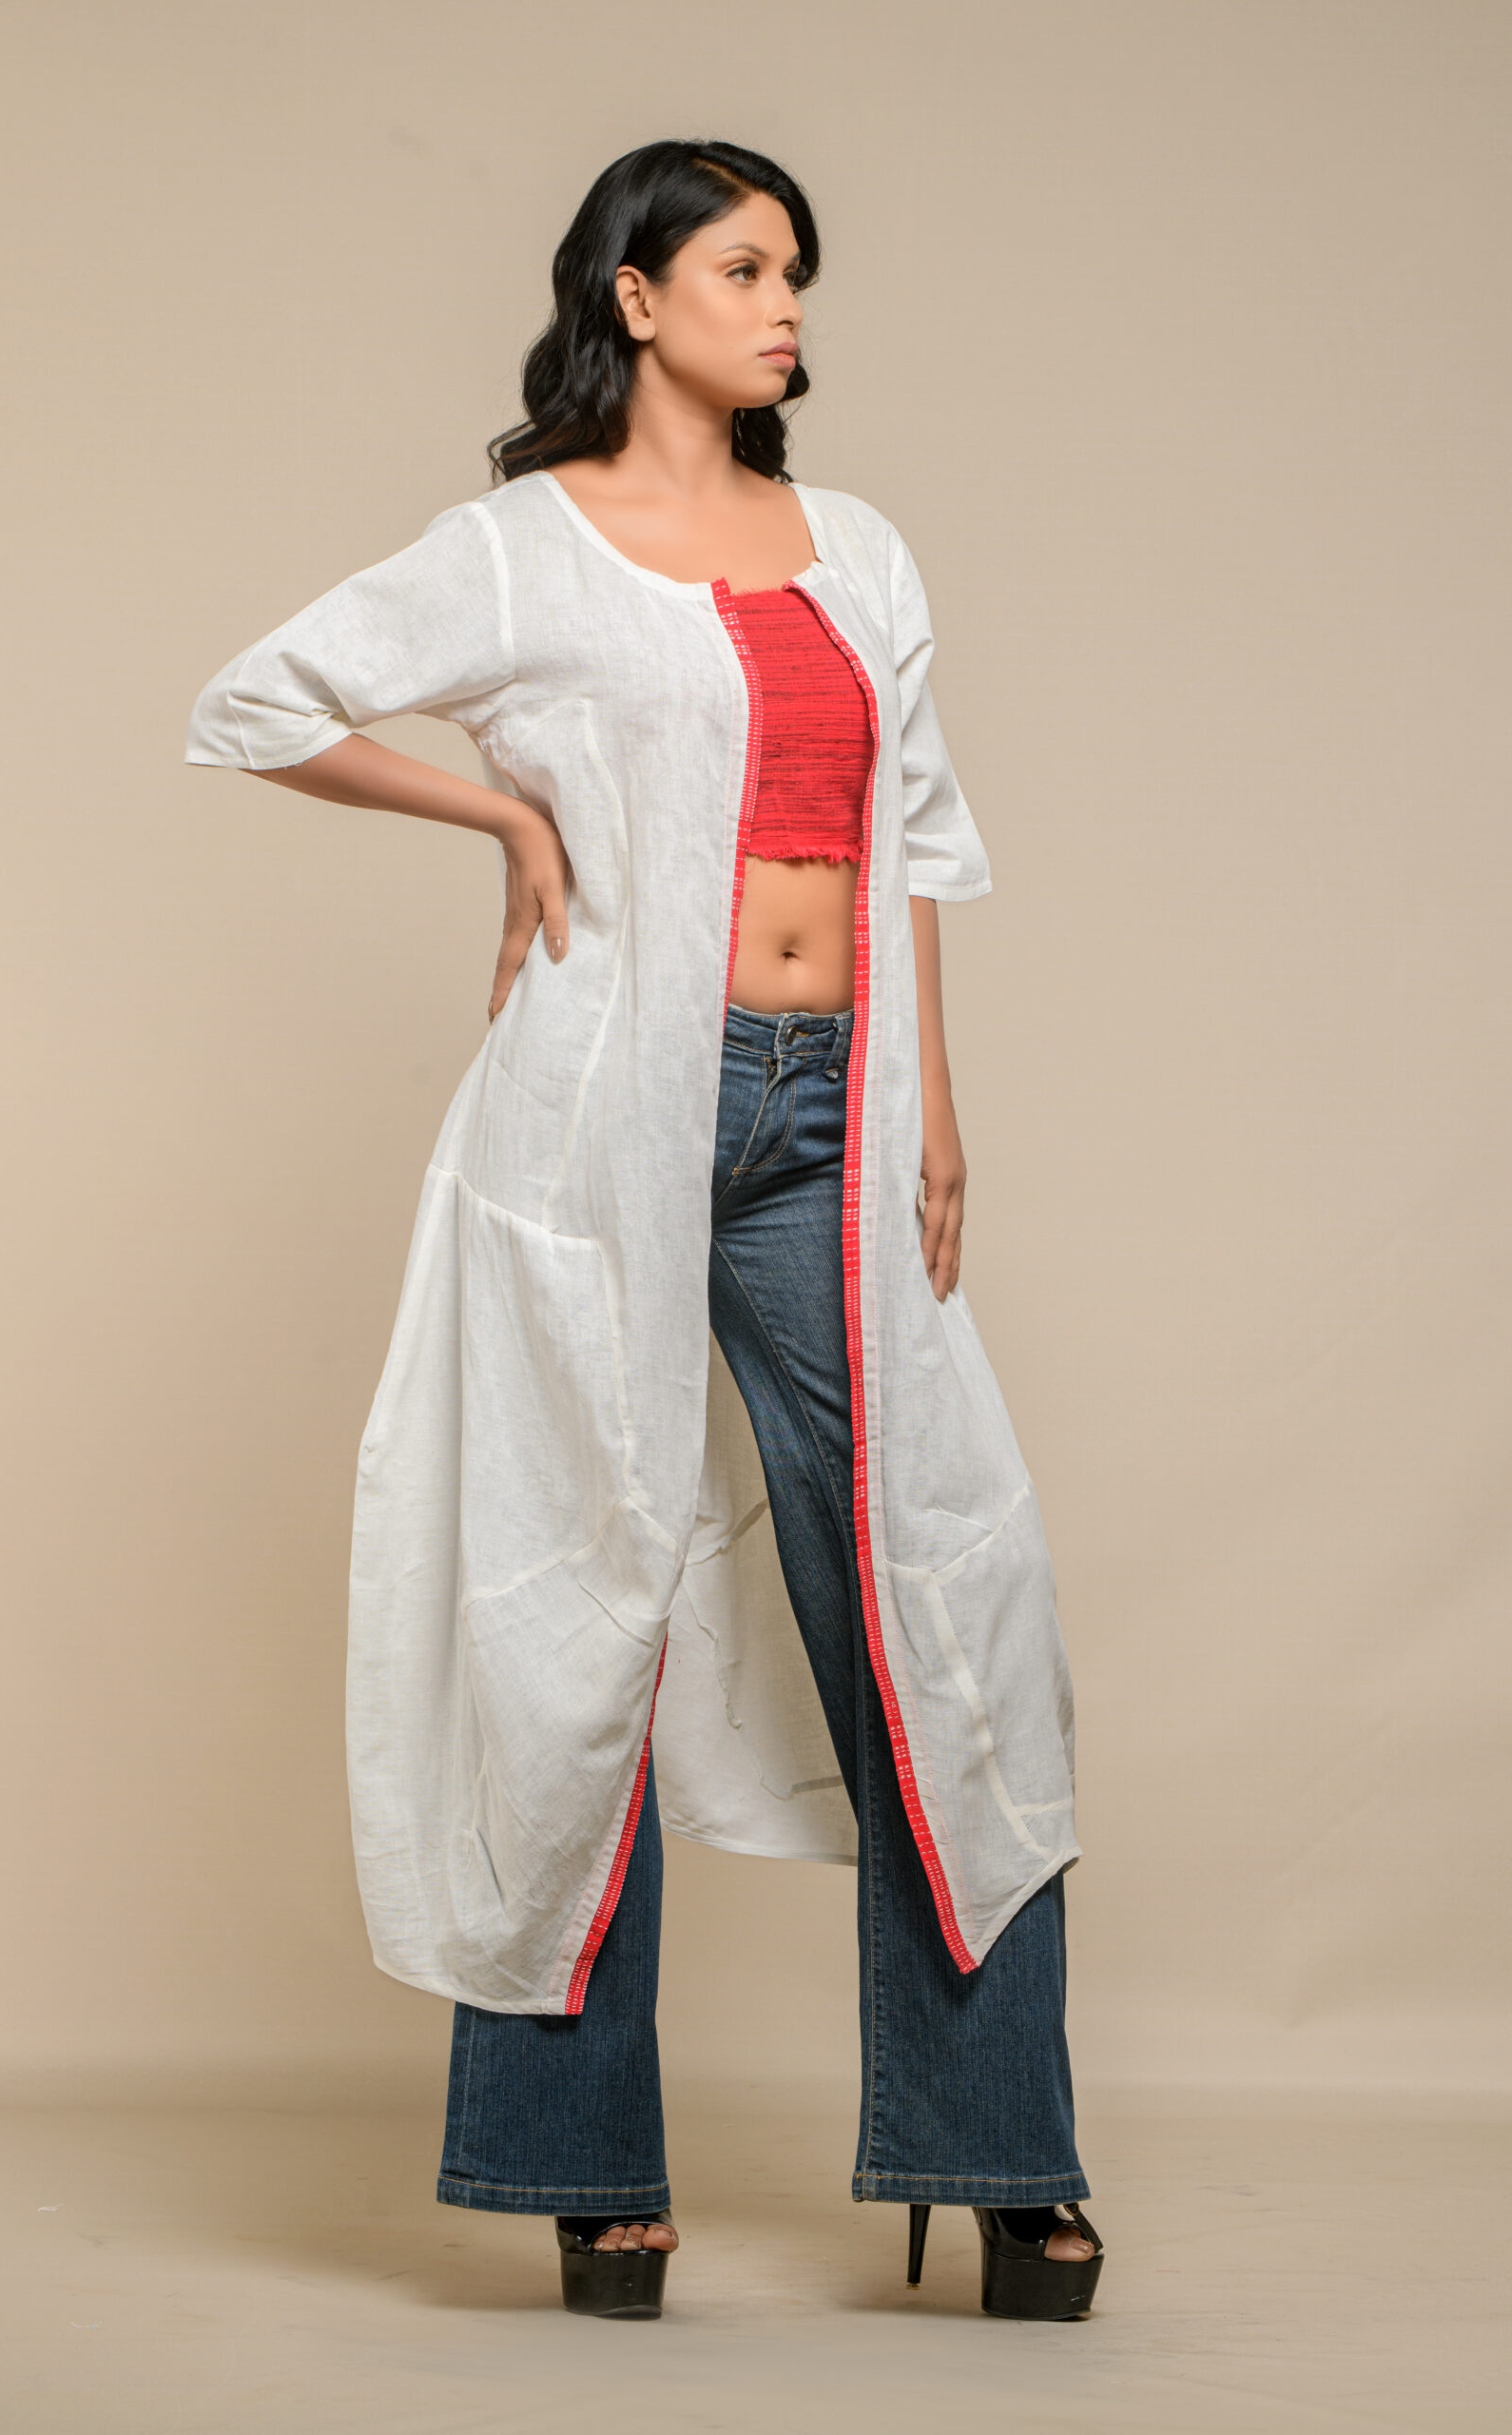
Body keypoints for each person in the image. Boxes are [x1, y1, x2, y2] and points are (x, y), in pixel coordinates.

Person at [185, 137, 1103, 2323]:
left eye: (796, 274)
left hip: (834, 1108)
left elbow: (914, 836)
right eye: (748, 268)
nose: (787, 308)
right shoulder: (521, 550)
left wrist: (933, 1105)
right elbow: (254, 701)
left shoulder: (855, 545)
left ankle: (998, 2149)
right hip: (596, 1111)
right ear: (634, 293)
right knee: (572, 1590)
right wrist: (499, 812)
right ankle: (583, 2165)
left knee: (948, 1595)